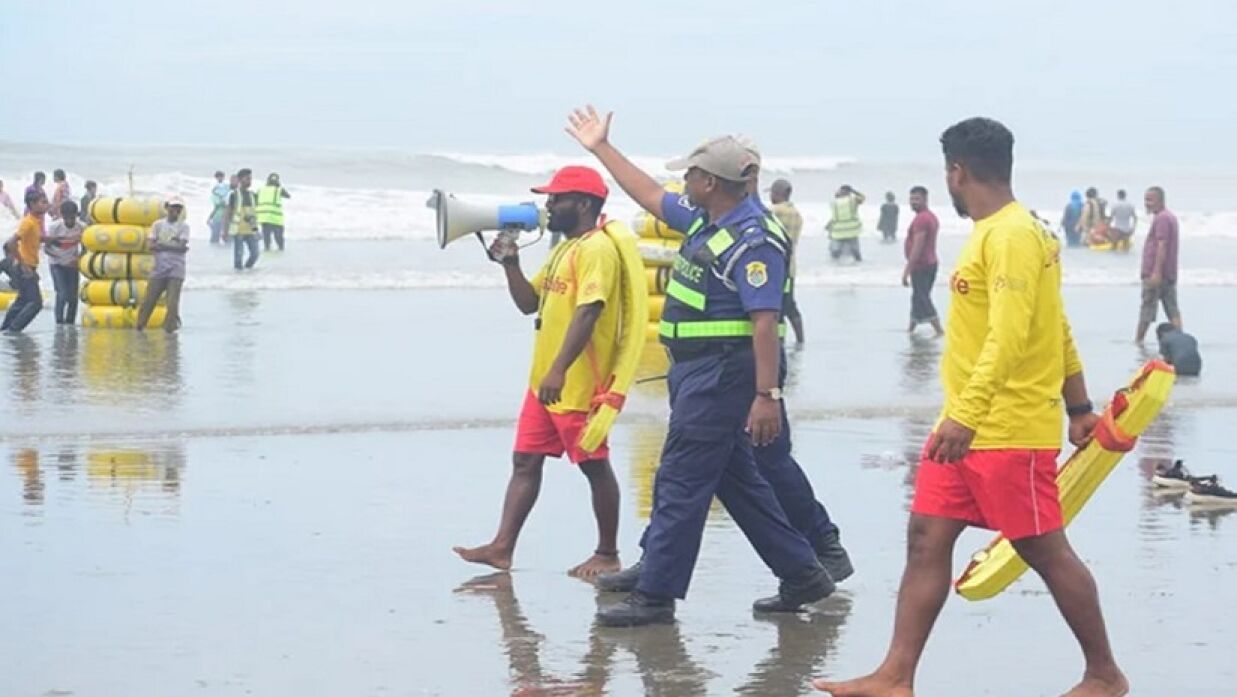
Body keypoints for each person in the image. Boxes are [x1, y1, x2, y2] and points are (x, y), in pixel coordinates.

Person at [817, 118, 1128, 697]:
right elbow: (1054, 326)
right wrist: (1080, 403)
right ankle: (895, 675)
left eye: (948, 176)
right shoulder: (1003, 231)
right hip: (966, 426)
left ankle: (1105, 674)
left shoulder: (1011, 236)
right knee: (925, 537)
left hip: (1003, 428)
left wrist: (970, 414)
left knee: (1043, 547)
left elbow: (1011, 337)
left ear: (956, 172)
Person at [566, 106, 833, 627]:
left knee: (682, 480)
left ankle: (656, 596)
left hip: (723, 376)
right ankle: (803, 574)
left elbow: (764, 320)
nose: (681, 180)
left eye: (689, 173)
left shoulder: (753, 237)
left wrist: (766, 396)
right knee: (736, 482)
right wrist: (600, 147)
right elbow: (647, 194)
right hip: (698, 374)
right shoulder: (708, 218)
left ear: (709, 182)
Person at [452, 165, 625, 579]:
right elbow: (530, 303)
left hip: (577, 383)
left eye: (556, 199)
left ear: (582, 204)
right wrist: (510, 264)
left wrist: (560, 370)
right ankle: (502, 547)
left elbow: (589, 311)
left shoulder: (596, 250)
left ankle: (607, 552)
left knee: (593, 464)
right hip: (545, 383)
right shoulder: (564, 249)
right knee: (525, 461)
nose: (548, 206)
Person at [1135, 186, 1181, 344]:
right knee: (1171, 308)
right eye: (1145, 199)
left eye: (1150, 200)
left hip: (1157, 274)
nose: (1147, 203)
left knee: (1147, 308)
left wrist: (1156, 272)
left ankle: (1138, 341)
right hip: (1168, 273)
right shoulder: (1169, 217)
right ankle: (1180, 338)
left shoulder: (1162, 218)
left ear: (1160, 200)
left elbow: (1162, 245)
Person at [137, 197, 189, 332]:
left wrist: (162, 245)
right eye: (173, 207)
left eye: (178, 208)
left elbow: (182, 247)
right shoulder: (158, 225)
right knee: (149, 300)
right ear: (167, 208)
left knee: (172, 304)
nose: (175, 211)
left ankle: (170, 330)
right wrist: (173, 244)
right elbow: (150, 245)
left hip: (176, 270)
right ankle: (140, 326)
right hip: (159, 269)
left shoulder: (184, 227)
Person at [2, 191, 49, 333]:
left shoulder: (35, 221)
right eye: (42, 202)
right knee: (36, 303)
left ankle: (5, 329)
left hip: (28, 266)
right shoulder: (28, 222)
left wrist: (56, 239)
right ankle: (13, 330)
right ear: (32, 204)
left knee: (21, 301)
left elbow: (35, 239)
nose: (45, 205)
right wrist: (24, 266)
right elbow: (11, 243)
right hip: (25, 267)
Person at [901, 185, 943, 336]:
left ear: (925, 199)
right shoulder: (929, 216)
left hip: (922, 265)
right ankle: (911, 328)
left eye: (917, 199)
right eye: (911, 199)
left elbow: (917, 247)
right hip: (929, 264)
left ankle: (939, 330)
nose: (913, 202)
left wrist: (907, 270)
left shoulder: (922, 219)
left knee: (922, 297)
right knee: (918, 296)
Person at [769, 179, 806, 344]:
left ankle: (780, 341)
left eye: (772, 192)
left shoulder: (773, 211)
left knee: (774, 307)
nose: (770, 195)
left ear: (778, 193)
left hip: (773, 267)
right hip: (789, 266)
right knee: (789, 304)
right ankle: (800, 339)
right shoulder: (797, 214)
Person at [43, 200, 86, 325]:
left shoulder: (81, 227)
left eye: (73, 218)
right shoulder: (54, 227)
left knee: (73, 296)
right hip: (57, 264)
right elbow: (47, 249)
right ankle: (59, 323)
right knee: (62, 294)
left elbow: (85, 248)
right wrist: (61, 259)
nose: (70, 222)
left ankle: (70, 322)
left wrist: (78, 259)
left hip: (72, 265)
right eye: (67, 219)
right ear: (62, 216)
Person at [221, 168, 260, 270]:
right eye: (247, 178)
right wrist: (224, 232)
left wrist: (256, 231)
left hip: (250, 230)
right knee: (238, 257)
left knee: (255, 254)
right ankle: (238, 277)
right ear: (240, 180)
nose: (249, 181)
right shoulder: (234, 195)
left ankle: (247, 273)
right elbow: (227, 214)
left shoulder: (253, 195)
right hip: (238, 231)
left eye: (250, 179)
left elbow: (253, 216)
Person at [827, 185, 865, 261]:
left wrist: (829, 226)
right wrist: (853, 191)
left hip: (838, 231)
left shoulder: (834, 203)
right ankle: (859, 265)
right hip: (852, 231)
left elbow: (835, 217)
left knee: (835, 252)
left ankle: (833, 267)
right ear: (849, 193)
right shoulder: (853, 200)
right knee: (856, 252)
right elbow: (862, 197)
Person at [256, 172, 292, 252]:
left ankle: (267, 249)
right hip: (275, 219)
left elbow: (255, 201)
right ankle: (280, 251)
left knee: (266, 239)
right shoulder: (279, 190)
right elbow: (288, 196)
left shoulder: (260, 190)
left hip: (264, 218)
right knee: (279, 240)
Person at [207, 171, 230, 245]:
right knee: (214, 238)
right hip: (217, 216)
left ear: (223, 177)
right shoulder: (215, 188)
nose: (220, 178)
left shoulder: (227, 187)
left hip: (227, 217)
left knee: (228, 239)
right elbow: (216, 205)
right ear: (216, 178)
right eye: (218, 177)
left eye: (221, 176)